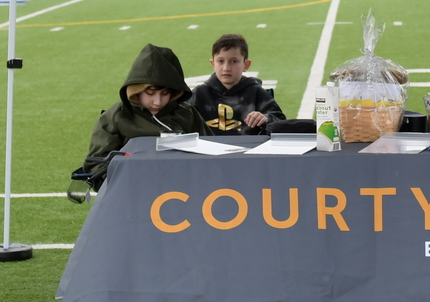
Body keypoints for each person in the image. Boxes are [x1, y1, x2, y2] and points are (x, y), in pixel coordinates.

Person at [67, 43, 207, 203]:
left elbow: (210, 154)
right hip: (132, 197)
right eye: (150, 93)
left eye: (165, 93)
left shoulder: (188, 114)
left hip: (184, 195)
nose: (157, 101)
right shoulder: (115, 117)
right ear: (136, 89)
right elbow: (96, 164)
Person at [193, 33, 285, 135]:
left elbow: (281, 122)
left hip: (249, 145)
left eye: (233, 61)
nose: (226, 68)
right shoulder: (199, 94)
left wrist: (266, 118)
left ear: (246, 65)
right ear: (213, 64)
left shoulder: (256, 92)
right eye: (220, 61)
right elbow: (182, 123)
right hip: (207, 145)